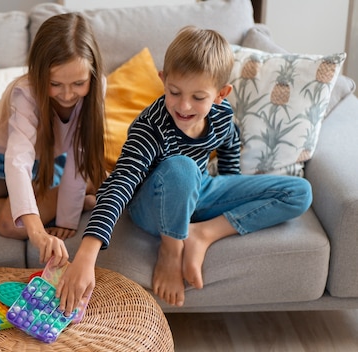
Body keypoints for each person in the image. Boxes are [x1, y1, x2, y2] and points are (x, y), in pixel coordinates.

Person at [55, 26, 313, 312]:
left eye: (198, 97)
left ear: (220, 95)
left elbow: (230, 143)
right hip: (152, 205)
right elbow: (121, 183)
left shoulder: (222, 116)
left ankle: (202, 233)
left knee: (300, 192)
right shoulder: (150, 126)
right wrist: (85, 256)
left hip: (200, 190)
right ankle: (171, 249)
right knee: (183, 167)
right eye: (174, 92)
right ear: (163, 80)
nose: (184, 105)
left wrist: (230, 185)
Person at [0, 13, 108, 267]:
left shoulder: (97, 88)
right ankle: (77, 196)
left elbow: (78, 154)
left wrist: (67, 217)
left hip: (44, 164)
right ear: (39, 74)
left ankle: (67, 196)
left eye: (78, 83)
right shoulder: (26, 92)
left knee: (8, 224)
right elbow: (17, 159)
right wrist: (37, 228)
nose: (67, 95)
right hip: (1, 158)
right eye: (55, 83)